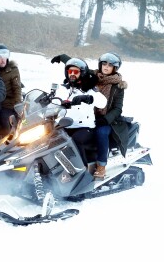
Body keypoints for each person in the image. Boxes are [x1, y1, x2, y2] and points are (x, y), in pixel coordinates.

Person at [51, 52, 128, 180]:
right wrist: (62, 57)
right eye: (104, 64)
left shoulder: (117, 86)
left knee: (101, 133)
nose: (106, 67)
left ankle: (101, 166)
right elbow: (78, 66)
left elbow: (117, 108)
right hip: (87, 115)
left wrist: (106, 119)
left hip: (106, 119)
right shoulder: (94, 76)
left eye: (110, 65)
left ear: (115, 68)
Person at [53, 57, 107, 167]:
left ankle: (82, 171)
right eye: (70, 71)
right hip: (64, 125)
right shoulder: (63, 88)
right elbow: (54, 101)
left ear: (81, 73)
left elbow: (102, 102)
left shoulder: (89, 89)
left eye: (76, 72)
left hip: (84, 128)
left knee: (74, 141)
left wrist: (88, 98)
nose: (72, 74)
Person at [0, 44, 22, 136]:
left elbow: (17, 88)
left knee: (5, 118)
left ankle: (8, 141)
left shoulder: (13, 70)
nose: (3, 60)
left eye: (5, 56)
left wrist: (18, 105)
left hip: (8, 103)